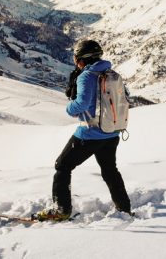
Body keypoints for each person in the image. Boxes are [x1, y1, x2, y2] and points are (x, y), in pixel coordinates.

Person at [34, 39, 132, 221]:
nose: (75, 62)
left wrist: (69, 107)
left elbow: (82, 104)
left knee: (62, 166)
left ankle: (61, 209)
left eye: (76, 59)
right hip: (112, 133)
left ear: (82, 59)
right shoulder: (110, 73)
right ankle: (124, 207)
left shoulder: (86, 76)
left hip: (89, 134)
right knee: (110, 170)